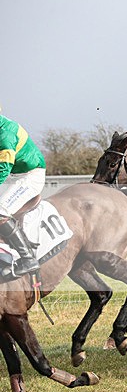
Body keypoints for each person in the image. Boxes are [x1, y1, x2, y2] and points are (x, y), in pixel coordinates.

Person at [0, 110, 47, 275]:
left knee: (0, 211)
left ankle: (28, 259)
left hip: (30, 176)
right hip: (15, 176)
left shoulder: (6, 134)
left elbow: (4, 167)